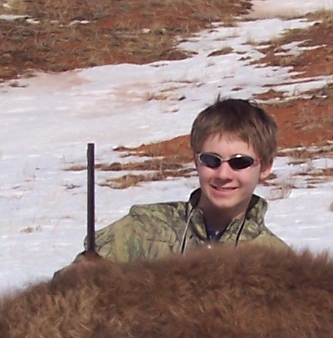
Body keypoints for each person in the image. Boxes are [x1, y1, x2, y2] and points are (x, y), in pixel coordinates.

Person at [81, 98, 288, 263]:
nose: (223, 175)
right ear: (196, 161)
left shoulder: (278, 261)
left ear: (266, 167)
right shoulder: (143, 229)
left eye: (240, 162)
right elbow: (64, 296)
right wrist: (82, 276)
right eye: (211, 160)